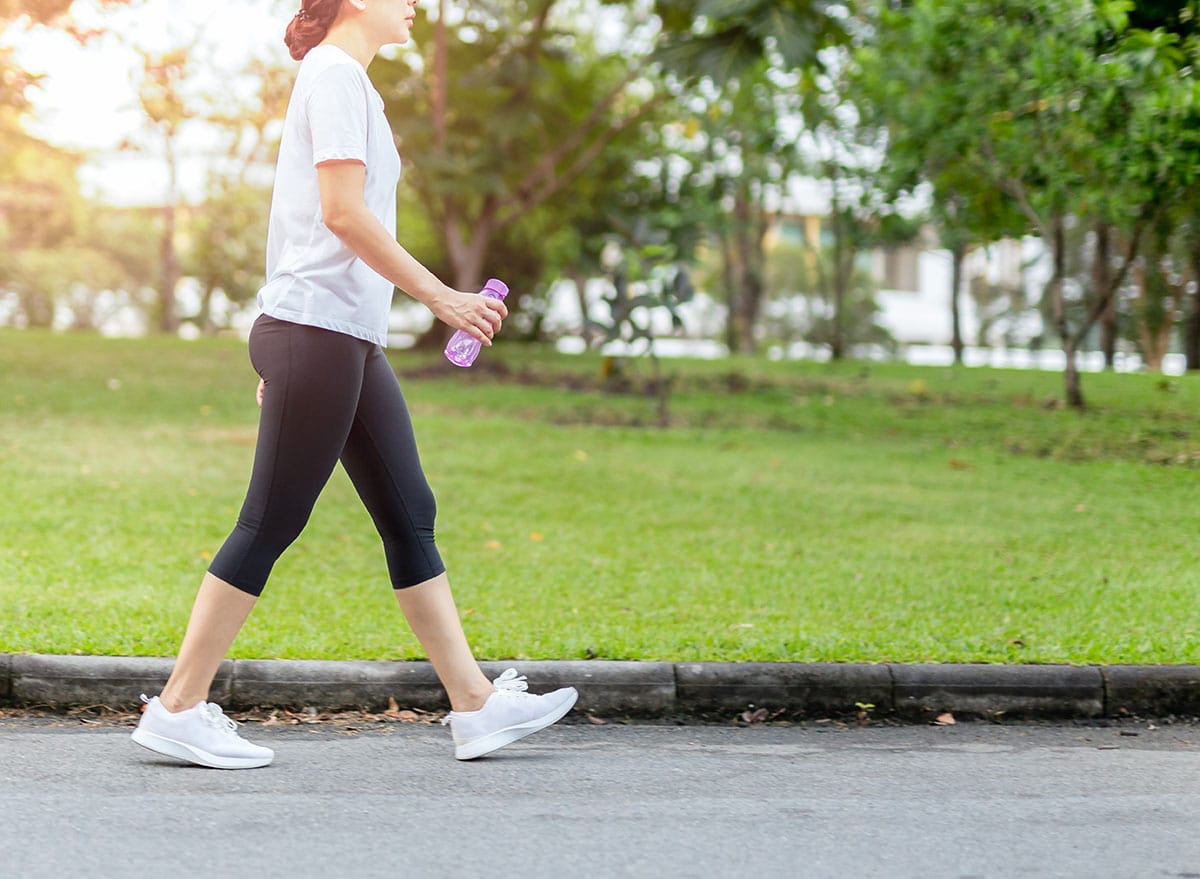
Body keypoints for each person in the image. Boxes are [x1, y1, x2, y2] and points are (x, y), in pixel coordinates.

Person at [130, 0, 577, 769]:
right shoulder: (334, 75)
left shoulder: (351, 83)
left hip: (341, 340)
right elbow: (341, 214)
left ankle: (474, 705)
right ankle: (178, 706)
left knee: (411, 512)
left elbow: (326, 218)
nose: (413, 5)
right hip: (318, 333)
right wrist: (442, 298)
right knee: (270, 521)